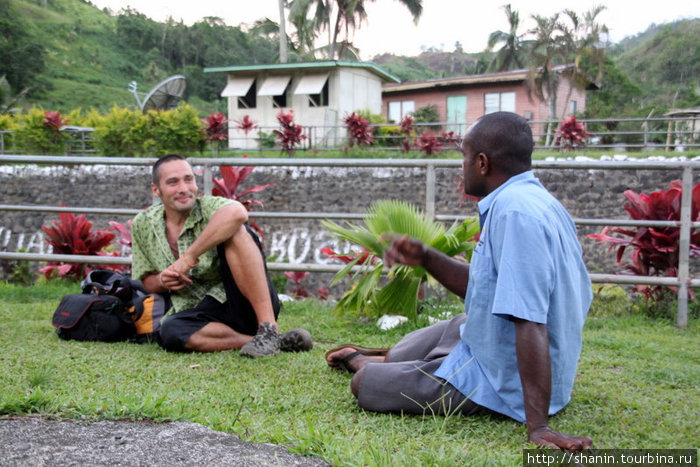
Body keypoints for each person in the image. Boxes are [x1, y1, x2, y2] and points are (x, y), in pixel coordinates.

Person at [325, 112, 593, 450]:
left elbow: (530, 320)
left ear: (482, 163)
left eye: (463, 157)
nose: (461, 166)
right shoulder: (530, 200)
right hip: (494, 340)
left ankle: (366, 362)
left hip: (503, 377)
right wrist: (426, 257)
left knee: (366, 384)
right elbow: (484, 287)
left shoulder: (514, 214)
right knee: (426, 340)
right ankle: (407, 361)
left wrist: (537, 426)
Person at [131, 154, 311, 357]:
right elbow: (146, 282)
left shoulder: (208, 207)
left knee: (237, 230)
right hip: (199, 312)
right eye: (173, 182)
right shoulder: (143, 224)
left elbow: (237, 213)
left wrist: (187, 259)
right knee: (170, 331)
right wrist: (163, 279)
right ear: (156, 190)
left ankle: (268, 328)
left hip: (243, 301)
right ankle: (273, 342)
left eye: (188, 179)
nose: (183, 188)